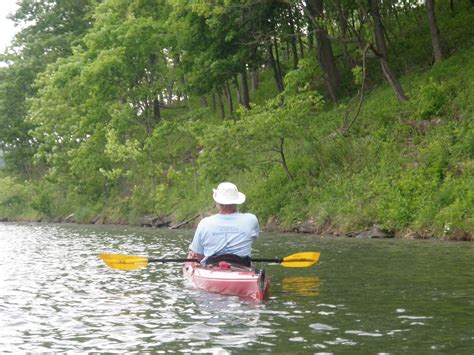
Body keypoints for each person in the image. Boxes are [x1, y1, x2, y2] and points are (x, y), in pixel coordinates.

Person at [187, 182, 259, 267]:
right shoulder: (251, 220)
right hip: (243, 265)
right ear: (236, 202)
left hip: (212, 267)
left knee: (193, 253)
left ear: (217, 203)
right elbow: (253, 238)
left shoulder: (204, 223)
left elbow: (199, 255)